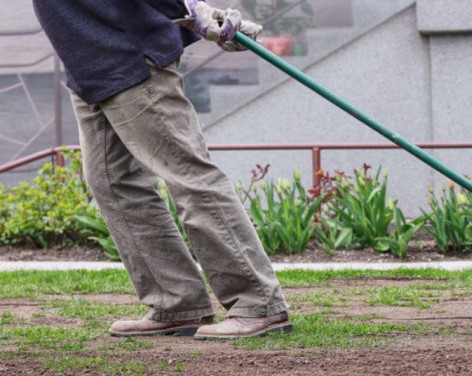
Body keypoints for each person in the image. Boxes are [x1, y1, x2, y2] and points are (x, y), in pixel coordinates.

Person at [32, 0, 291, 340]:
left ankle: (259, 303)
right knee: (112, 183)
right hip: (88, 62)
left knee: (187, 173)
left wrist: (186, 8)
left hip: (126, 52)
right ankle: (176, 301)